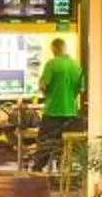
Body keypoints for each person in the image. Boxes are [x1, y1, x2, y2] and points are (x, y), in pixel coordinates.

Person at [34, 36, 84, 170]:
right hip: (71, 113)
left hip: (53, 111)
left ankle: (36, 173)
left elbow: (44, 86)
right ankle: (63, 172)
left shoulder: (52, 64)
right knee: (64, 145)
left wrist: (43, 89)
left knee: (45, 144)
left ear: (54, 49)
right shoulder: (76, 66)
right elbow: (81, 88)